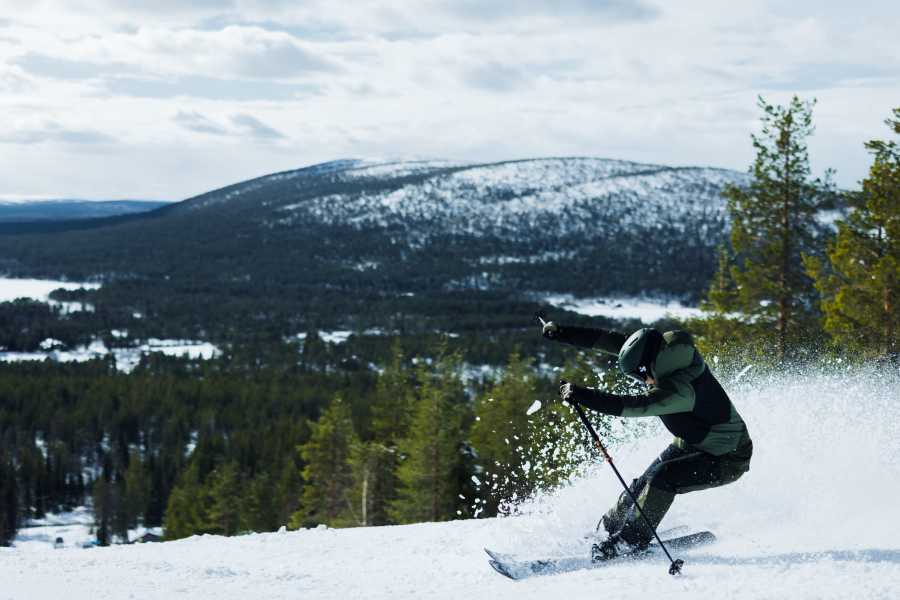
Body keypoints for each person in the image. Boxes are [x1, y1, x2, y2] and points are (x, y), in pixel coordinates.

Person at [541, 320, 752, 561]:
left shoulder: (680, 388)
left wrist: (584, 395)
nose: (641, 380)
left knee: (664, 477)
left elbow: (636, 406)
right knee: (645, 482)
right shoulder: (662, 354)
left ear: (646, 367)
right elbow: (612, 341)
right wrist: (564, 332)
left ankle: (631, 540)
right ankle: (611, 526)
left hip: (728, 458)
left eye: (638, 375)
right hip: (691, 443)